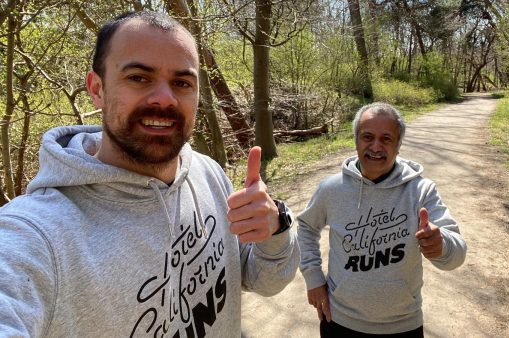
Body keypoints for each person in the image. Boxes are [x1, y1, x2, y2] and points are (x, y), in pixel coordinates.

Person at [0, 11, 299, 337]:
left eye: (182, 83)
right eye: (139, 78)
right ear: (97, 89)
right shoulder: (37, 235)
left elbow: (264, 280)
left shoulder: (208, 174)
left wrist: (275, 229)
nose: (164, 98)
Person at [297, 102, 467, 338]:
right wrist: (313, 277)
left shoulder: (421, 191)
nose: (375, 146)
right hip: (338, 320)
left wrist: (443, 245)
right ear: (356, 140)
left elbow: (457, 253)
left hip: (403, 325)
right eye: (367, 137)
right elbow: (306, 227)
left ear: (398, 145)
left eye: (386, 139)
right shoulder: (331, 188)